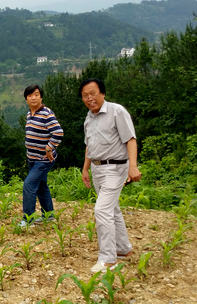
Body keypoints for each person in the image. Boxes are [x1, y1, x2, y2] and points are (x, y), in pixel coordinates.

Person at [79, 78, 142, 273]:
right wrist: (85, 169)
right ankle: (123, 249)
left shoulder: (117, 111)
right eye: (85, 96)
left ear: (103, 94)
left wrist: (133, 166)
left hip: (115, 168)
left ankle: (108, 259)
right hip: (97, 168)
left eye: (93, 93)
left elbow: (130, 139)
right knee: (112, 209)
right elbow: (90, 145)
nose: (90, 98)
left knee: (102, 210)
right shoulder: (89, 118)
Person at [19, 84, 64, 227]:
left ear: (41, 97)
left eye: (36, 94)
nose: (33, 98)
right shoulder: (29, 114)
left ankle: (28, 219)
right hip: (32, 158)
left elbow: (58, 132)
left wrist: (49, 148)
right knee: (41, 186)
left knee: (29, 184)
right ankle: (49, 215)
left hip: (43, 160)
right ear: (26, 98)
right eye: (30, 95)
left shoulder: (46, 113)